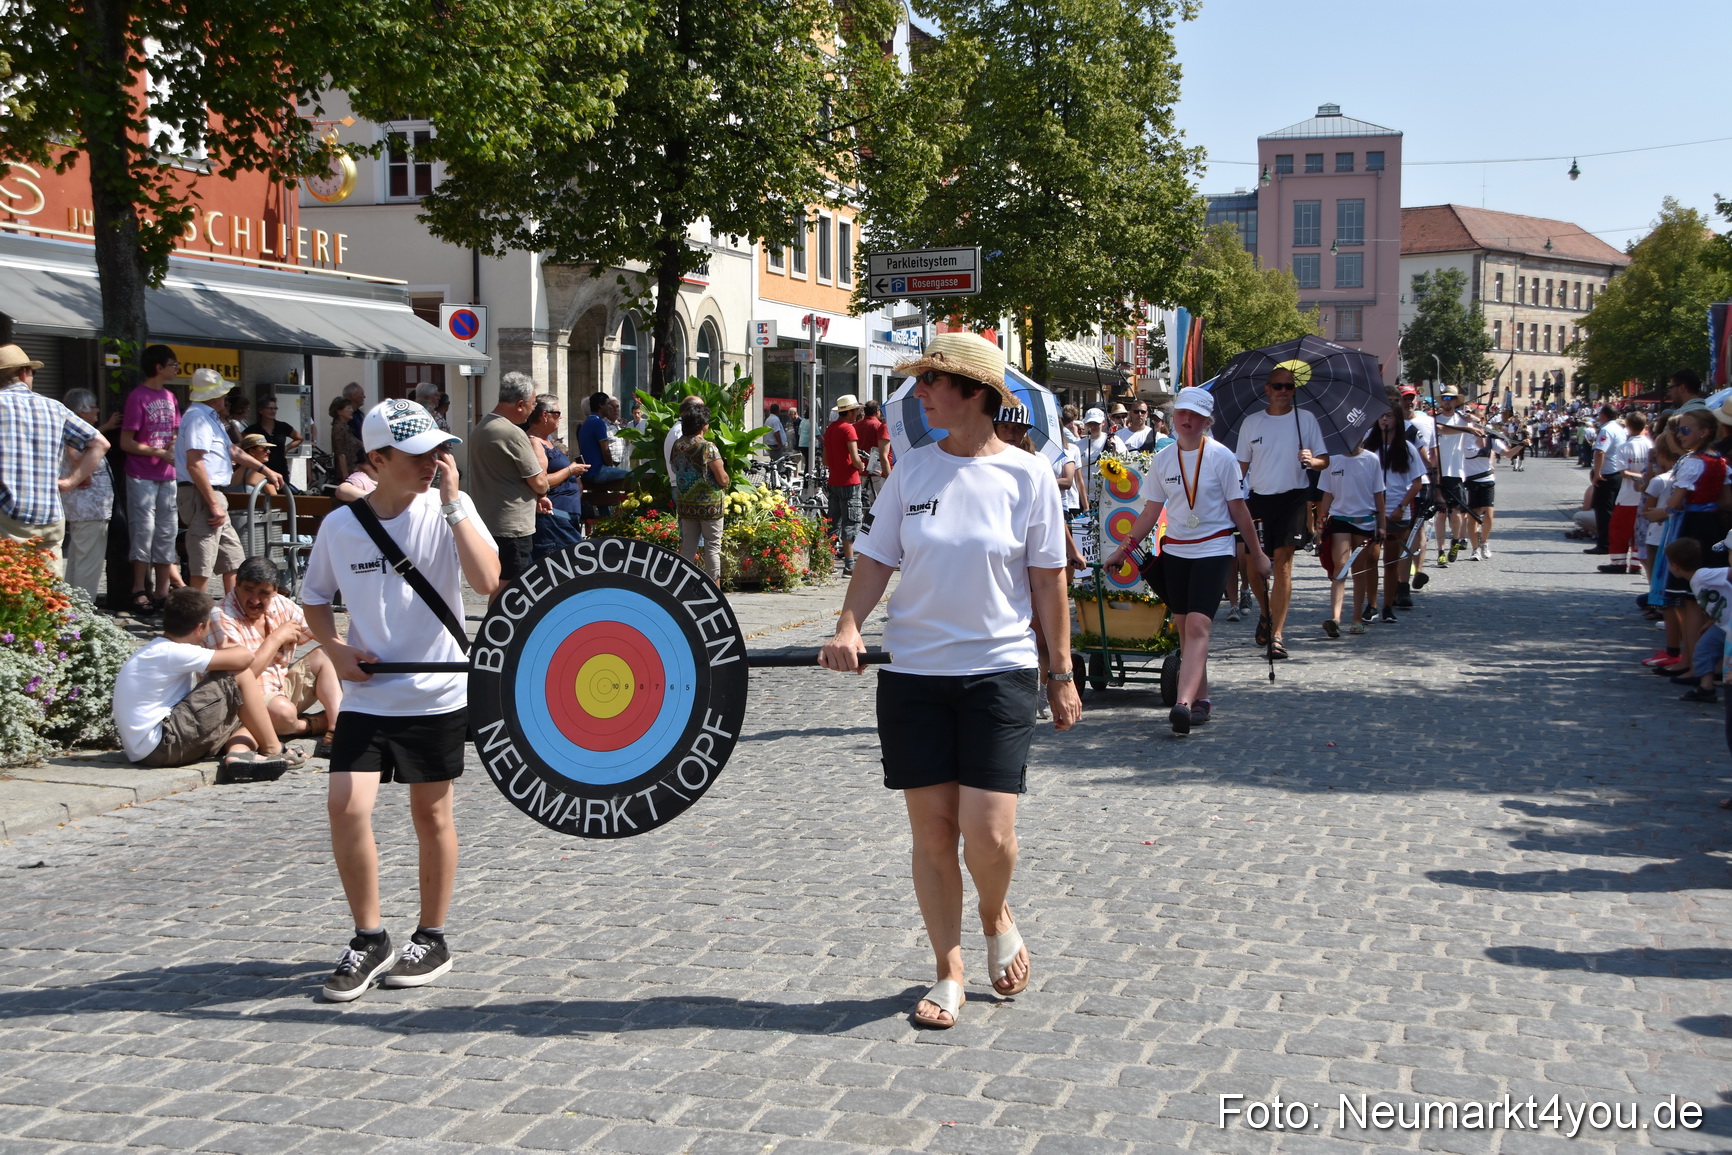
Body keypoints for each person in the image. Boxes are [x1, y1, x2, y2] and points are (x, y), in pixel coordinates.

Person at [820, 331, 1078, 1030]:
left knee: (987, 836)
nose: (921, 392)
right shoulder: (911, 470)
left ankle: (997, 912)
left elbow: (1048, 579)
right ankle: (949, 968)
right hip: (914, 674)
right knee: (933, 835)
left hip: (998, 671)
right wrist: (849, 625)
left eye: (933, 381)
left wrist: (1061, 671)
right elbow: (876, 558)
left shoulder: (1026, 477)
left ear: (974, 393)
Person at [302, 398, 500, 1001]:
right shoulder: (340, 526)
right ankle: (369, 937)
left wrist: (454, 503)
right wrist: (335, 651)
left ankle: (431, 936)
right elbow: (314, 598)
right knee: (346, 805)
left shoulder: (448, 511)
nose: (434, 461)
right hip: (368, 693)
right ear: (378, 460)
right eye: (418, 454)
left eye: (439, 450)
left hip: (435, 688)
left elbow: (489, 583)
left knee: (431, 814)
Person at [1104, 387, 1272, 733]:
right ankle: (1202, 699)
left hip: (1214, 549)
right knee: (1185, 629)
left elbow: (1238, 510)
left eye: (1195, 415)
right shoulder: (1164, 459)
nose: (1187, 420)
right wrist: (1122, 550)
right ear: (1172, 417)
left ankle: (1182, 703)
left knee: (1198, 626)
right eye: (1182, 413)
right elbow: (1150, 511)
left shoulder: (1221, 457)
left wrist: (1258, 554)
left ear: (1207, 421)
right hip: (1176, 551)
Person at [111, 586, 305, 776]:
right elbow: (245, 659)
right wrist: (233, 648)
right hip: (162, 745)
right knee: (238, 675)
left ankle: (238, 755)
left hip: (149, 750)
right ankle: (274, 749)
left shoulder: (158, 648)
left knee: (246, 710)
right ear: (200, 627)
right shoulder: (175, 652)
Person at [1235, 365, 1327, 660]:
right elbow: (1241, 468)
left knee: (1284, 565)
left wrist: (1312, 461)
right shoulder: (1252, 423)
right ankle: (1266, 613)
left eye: (1289, 387)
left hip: (1293, 498)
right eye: (1278, 386)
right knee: (1254, 567)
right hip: (1259, 499)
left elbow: (1324, 460)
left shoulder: (1306, 420)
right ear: (1268, 390)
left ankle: (1277, 635)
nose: (1284, 392)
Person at [210, 557, 343, 749]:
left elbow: (324, 633)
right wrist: (275, 638)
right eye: (248, 590)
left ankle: (336, 726)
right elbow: (241, 678)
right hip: (243, 702)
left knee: (330, 651)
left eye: (263, 593)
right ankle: (308, 725)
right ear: (236, 586)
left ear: (274, 592)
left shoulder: (280, 604)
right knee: (283, 711)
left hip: (280, 689)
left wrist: (355, 657)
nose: (255, 600)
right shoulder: (221, 616)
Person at [0, 345, 108, 579]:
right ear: (23, 373)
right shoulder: (54, 407)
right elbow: (100, 443)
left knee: (11, 590)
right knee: (48, 591)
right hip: (49, 512)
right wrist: (70, 482)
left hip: (7, 511)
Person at [176, 369, 281, 595]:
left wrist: (264, 469)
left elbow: (233, 450)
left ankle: (231, 612)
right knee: (202, 563)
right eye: (223, 393)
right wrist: (213, 503)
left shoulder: (209, 418)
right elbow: (194, 463)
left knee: (233, 559)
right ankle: (198, 619)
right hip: (203, 494)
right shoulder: (198, 418)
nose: (226, 398)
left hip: (212, 494)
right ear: (214, 396)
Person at [468, 372, 550, 586]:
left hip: (488, 519)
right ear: (520, 404)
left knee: (500, 583)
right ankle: (501, 621)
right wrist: (542, 489)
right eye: (532, 404)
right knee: (511, 587)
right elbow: (538, 481)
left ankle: (496, 619)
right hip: (512, 524)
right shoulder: (511, 432)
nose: (533, 410)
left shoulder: (482, 426)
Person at [120, 345, 182, 613]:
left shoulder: (171, 396)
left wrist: (173, 446)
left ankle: (162, 589)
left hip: (167, 475)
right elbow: (126, 442)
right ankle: (138, 588)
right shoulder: (138, 397)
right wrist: (159, 452)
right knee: (143, 530)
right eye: (173, 364)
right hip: (141, 474)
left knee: (167, 531)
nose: (176, 368)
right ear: (158, 367)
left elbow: (176, 431)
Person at [1315, 432, 1386, 636]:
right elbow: (1327, 493)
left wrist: (1382, 523)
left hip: (1364, 521)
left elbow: (1378, 493)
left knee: (1359, 569)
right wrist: (1321, 518)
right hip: (1340, 519)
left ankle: (1356, 618)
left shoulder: (1371, 460)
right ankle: (1335, 617)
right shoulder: (1332, 459)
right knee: (1340, 565)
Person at [1367, 405, 1426, 623]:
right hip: (1372, 513)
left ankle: (1388, 606)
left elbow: (1417, 483)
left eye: (1389, 415)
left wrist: (1401, 507)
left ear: (1397, 420)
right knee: (1370, 560)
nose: (1384, 420)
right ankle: (1371, 604)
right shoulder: (1370, 448)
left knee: (1390, 563)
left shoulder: (1407, 448)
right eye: (1381, 415)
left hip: (1396, 512)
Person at [58, 389, 115, 602]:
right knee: (89, 561)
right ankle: (82, 610)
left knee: (78, 557)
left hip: (84, 506)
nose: (98, 410)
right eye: (93, 406)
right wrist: (83, 473)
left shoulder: (74, 428)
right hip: (89, 506)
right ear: (81, 411)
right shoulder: (77, 432)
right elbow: (74, 453)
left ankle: (69, 607)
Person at [670, 403, 729, 583]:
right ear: (703, 425)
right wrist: (726, 481)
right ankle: (714, 590)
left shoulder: (677, 445)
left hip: (687, 503)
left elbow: (674, 467)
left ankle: (682, 586)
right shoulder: (707, 447)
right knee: (712, 547)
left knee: (688, 545)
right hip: (709, 505)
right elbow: (722, 478)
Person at [524, 393, 587, 558]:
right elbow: (541, 482)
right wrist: (570, 471)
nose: (561, 417)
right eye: (557, 413)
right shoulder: (535, 443)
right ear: (545, 415)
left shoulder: (546, 441)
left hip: (563, 517)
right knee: (573, 565)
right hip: (554, 520)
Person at [1399, 386, 1439, 599]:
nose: (1409, 402)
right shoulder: (1385, 425)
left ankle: (1417, 570)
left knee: (1417, 529)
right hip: (1396, 486)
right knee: (1403, 533)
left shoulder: (1423, 424)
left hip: (1420, 482)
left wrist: (1436, 485)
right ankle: (1400, 578)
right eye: (1405, 399)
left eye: (1411, 399)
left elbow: (1430, 457)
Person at [1603, 412, 1651, 575]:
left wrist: (1638, 477)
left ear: (1628, 427)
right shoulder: (1651, 446)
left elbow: (1623, 473)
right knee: (1640, 530)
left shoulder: (1624, 447)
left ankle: (1618, 561)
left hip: (1627, 495)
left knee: (1619, 530)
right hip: (1646, 496)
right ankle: (1636, 563)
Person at [1432, 390, 1475, 565]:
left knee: (1456, 515)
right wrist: (1465, 427)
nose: (1447, 401)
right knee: (1441, 514)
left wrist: (1473, 420)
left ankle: (1455, 541)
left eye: (1451, 398)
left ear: (1456, 401)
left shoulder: (1463, 419)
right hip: (1439, 472)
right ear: (1441, 401)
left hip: (1456, 471)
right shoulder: (1434, 420)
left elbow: (1479, 428)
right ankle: (1441, 550)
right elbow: (1442, 430)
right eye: (1444, 398)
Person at [824, 395, 865, 574]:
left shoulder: (830, 429)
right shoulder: (849, 430)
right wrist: (861, 465)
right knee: (851, 522)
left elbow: (825, 459)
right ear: (850, 411)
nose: (857, 413)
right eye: (856, 410)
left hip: (833, 480)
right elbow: (855, 459)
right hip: (850, 481)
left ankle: (826, 563)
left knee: (832, 523)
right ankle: (849, 564)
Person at [1461, 419, 1512, 561]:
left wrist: (1522, 445)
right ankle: (1475, 549)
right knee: (1472, 516)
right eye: (1474, 422)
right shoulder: (1464, 438)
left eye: (1479, 422)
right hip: (1470, 480)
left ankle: (1484, 542)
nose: (1476, 425)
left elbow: (1508, 454)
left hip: (1487, 480)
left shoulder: (1490, 440)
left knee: (1489, 515)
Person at [1585, 403, 1627, 557]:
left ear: (1604, 415)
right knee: (1612, 511)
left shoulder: (1607, 429)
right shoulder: (1619, 428)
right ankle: (1611, 542)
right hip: (1617, 472)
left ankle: (1604, 544)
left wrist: (1597, 473)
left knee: (1603, 511)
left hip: (1607, 473)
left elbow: (1600, 452)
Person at [244, 394, 303, 481]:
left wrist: (286, 448)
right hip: (261, 470)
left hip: (280, 468)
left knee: (283, 493)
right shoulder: (253, 429)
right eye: (270, 408)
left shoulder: (282, 426)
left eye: (275, 408)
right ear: (261, 410)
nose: (273, 411)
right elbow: (242, 444)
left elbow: (299, 438)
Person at [577, 391, 630, 483]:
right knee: (633, 476)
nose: (610, 407)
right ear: (601, 405)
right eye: (608, 404)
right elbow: (605, 450)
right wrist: (610, 466)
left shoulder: (586, 422)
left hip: (588, 472)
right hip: (597, 471)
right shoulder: (599, 422)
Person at [329, 396, 361, 481]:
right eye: (348, 408)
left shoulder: (346, 428)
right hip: (347, 474)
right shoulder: (339, 429)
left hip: (353, 470)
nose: (352, 411)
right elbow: (341, 454)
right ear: (339, 411)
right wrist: (345, 476)